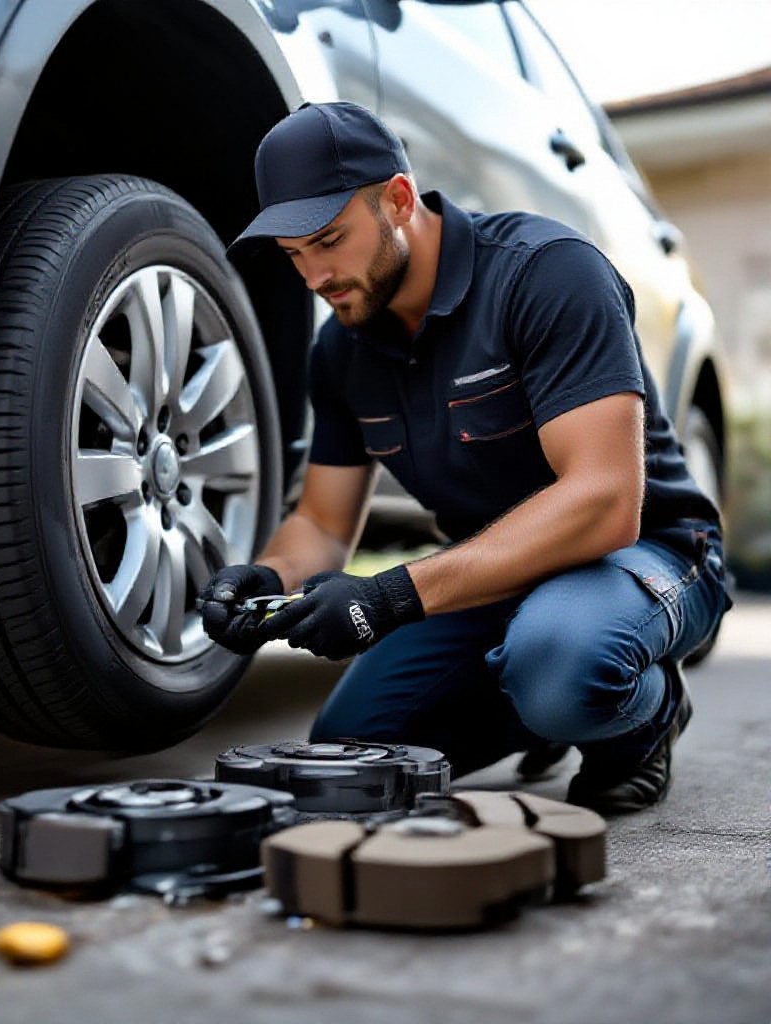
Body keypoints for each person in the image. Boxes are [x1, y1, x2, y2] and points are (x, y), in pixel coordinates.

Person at [198, 101, 731, 815]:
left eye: (329, 240)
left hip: (650, 552)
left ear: (397, 198)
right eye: (295, 255)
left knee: (561, 666)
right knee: (354, 744)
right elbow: (324, 522)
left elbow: (606, 502)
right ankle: (550, 702)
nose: (315, 277)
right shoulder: (342, 349)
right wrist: (268, 576)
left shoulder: (547, 274)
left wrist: (387, 598)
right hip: (498, 574)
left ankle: (644, 715)